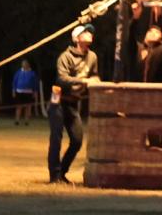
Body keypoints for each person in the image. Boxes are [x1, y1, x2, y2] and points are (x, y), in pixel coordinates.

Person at [50, 24, 100, 184]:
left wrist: (96, 81)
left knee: (77, 139)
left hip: (73, 102)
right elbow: (61, 78)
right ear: (77, 38)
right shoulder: (65, 57)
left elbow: (94, 75)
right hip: (58, 101)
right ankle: (54, 176)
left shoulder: (92, 57)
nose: (90, 34)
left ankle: (62, 171)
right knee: (56, 138)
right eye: (86, 32)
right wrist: (84, 80)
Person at [12, 60, 39, 125]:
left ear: (28, 65)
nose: (24, 65)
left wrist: (35, 92)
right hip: (19, 91)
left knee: (28, 107)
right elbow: (14, 82)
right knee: (19, 107)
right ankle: (17, 120)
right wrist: (13, 91)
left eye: (25, 64)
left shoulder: (32, 73)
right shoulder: (18, 72)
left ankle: (26, 121)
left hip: (28, 92)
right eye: (23, 64)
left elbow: (35, 83)